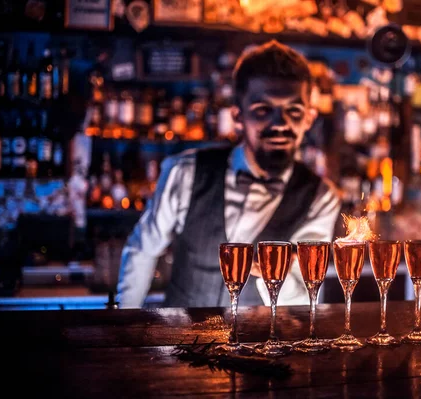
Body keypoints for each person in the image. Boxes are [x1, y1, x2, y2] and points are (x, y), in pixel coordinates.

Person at [116, 40, 341, 308]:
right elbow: (142, 250)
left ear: (308, 119)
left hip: (261, 348)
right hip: (181, 344)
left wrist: (278, 276)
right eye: (263, 110)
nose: (280, 124)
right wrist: (124, 321)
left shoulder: (320, 197)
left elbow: (306, 299)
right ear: (237, 116)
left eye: (293, 110)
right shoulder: (185, 172)